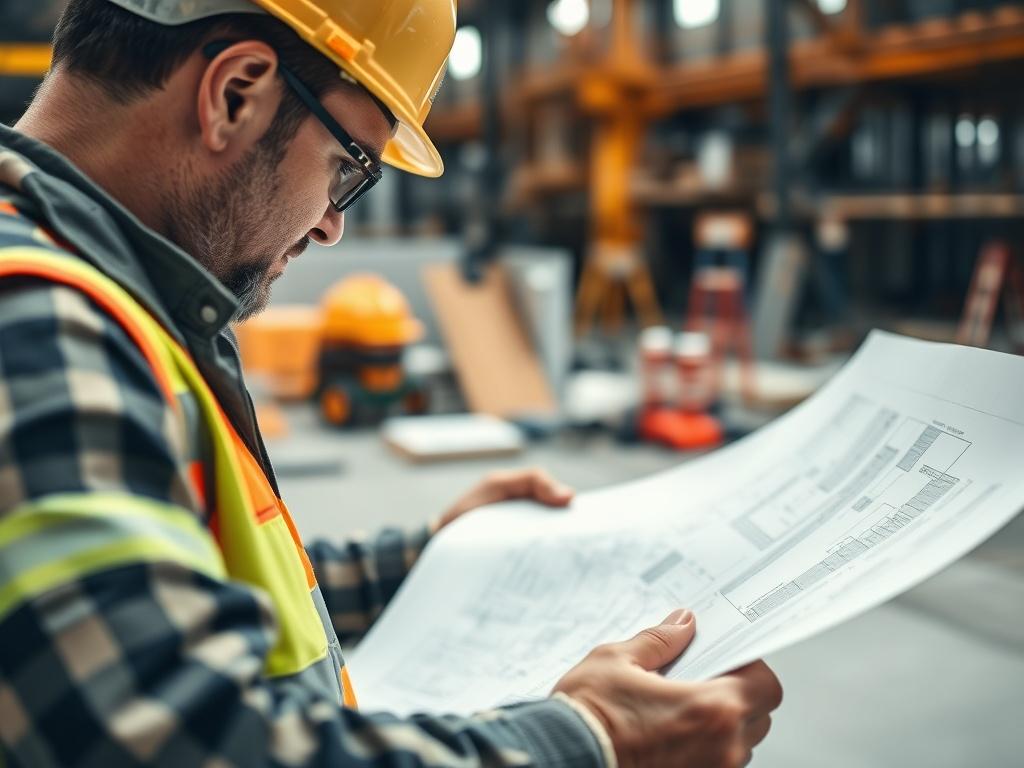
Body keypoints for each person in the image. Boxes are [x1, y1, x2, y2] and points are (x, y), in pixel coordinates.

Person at [0, 1, 782, 766]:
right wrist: (593, 741)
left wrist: (436, 562)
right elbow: (171, 740)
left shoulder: (94, 296)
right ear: (235, 93)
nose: (332, 223)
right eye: (347, 166)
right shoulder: (32, 321)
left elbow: (179, 584)